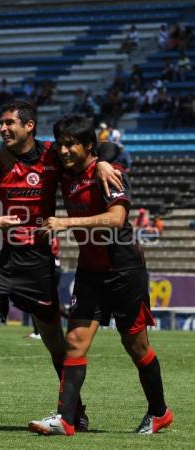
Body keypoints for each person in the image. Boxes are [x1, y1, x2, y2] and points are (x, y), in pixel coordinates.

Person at [0, 100, 122, 437]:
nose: (3, 129)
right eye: (1, 123)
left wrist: (105, 163)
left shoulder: (53, 155)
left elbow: (103, 147)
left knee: (52, 340)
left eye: (9, 123)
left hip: (37, 261)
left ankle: (73, 410)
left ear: (29, 126)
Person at [29, 114, 173, 436]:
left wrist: (65, 224)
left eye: (71, 145)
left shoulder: (110, 173)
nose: (64, 151)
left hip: (124, 270)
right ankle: (67, 418)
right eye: (62, 144)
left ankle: (160, 412)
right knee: (75, 341)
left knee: (136, 346)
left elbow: (117, 218)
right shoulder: (68, 171)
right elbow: (44, 147)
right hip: (89, 271)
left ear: (88, 146)